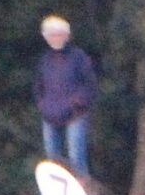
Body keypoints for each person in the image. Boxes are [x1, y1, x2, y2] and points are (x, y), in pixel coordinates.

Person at [33, 16, 98, 178]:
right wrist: (42, 105)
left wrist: (76, 103)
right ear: (46, 37)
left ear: (67, 35)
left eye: (59, 34)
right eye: (51, 35)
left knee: (76, 160)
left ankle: (83, 190)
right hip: (49, 116)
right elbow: (38, 86)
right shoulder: (45, 59)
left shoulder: (79, 57)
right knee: (53, 161)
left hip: (75, 115)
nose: (55, 38)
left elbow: (90, 85)